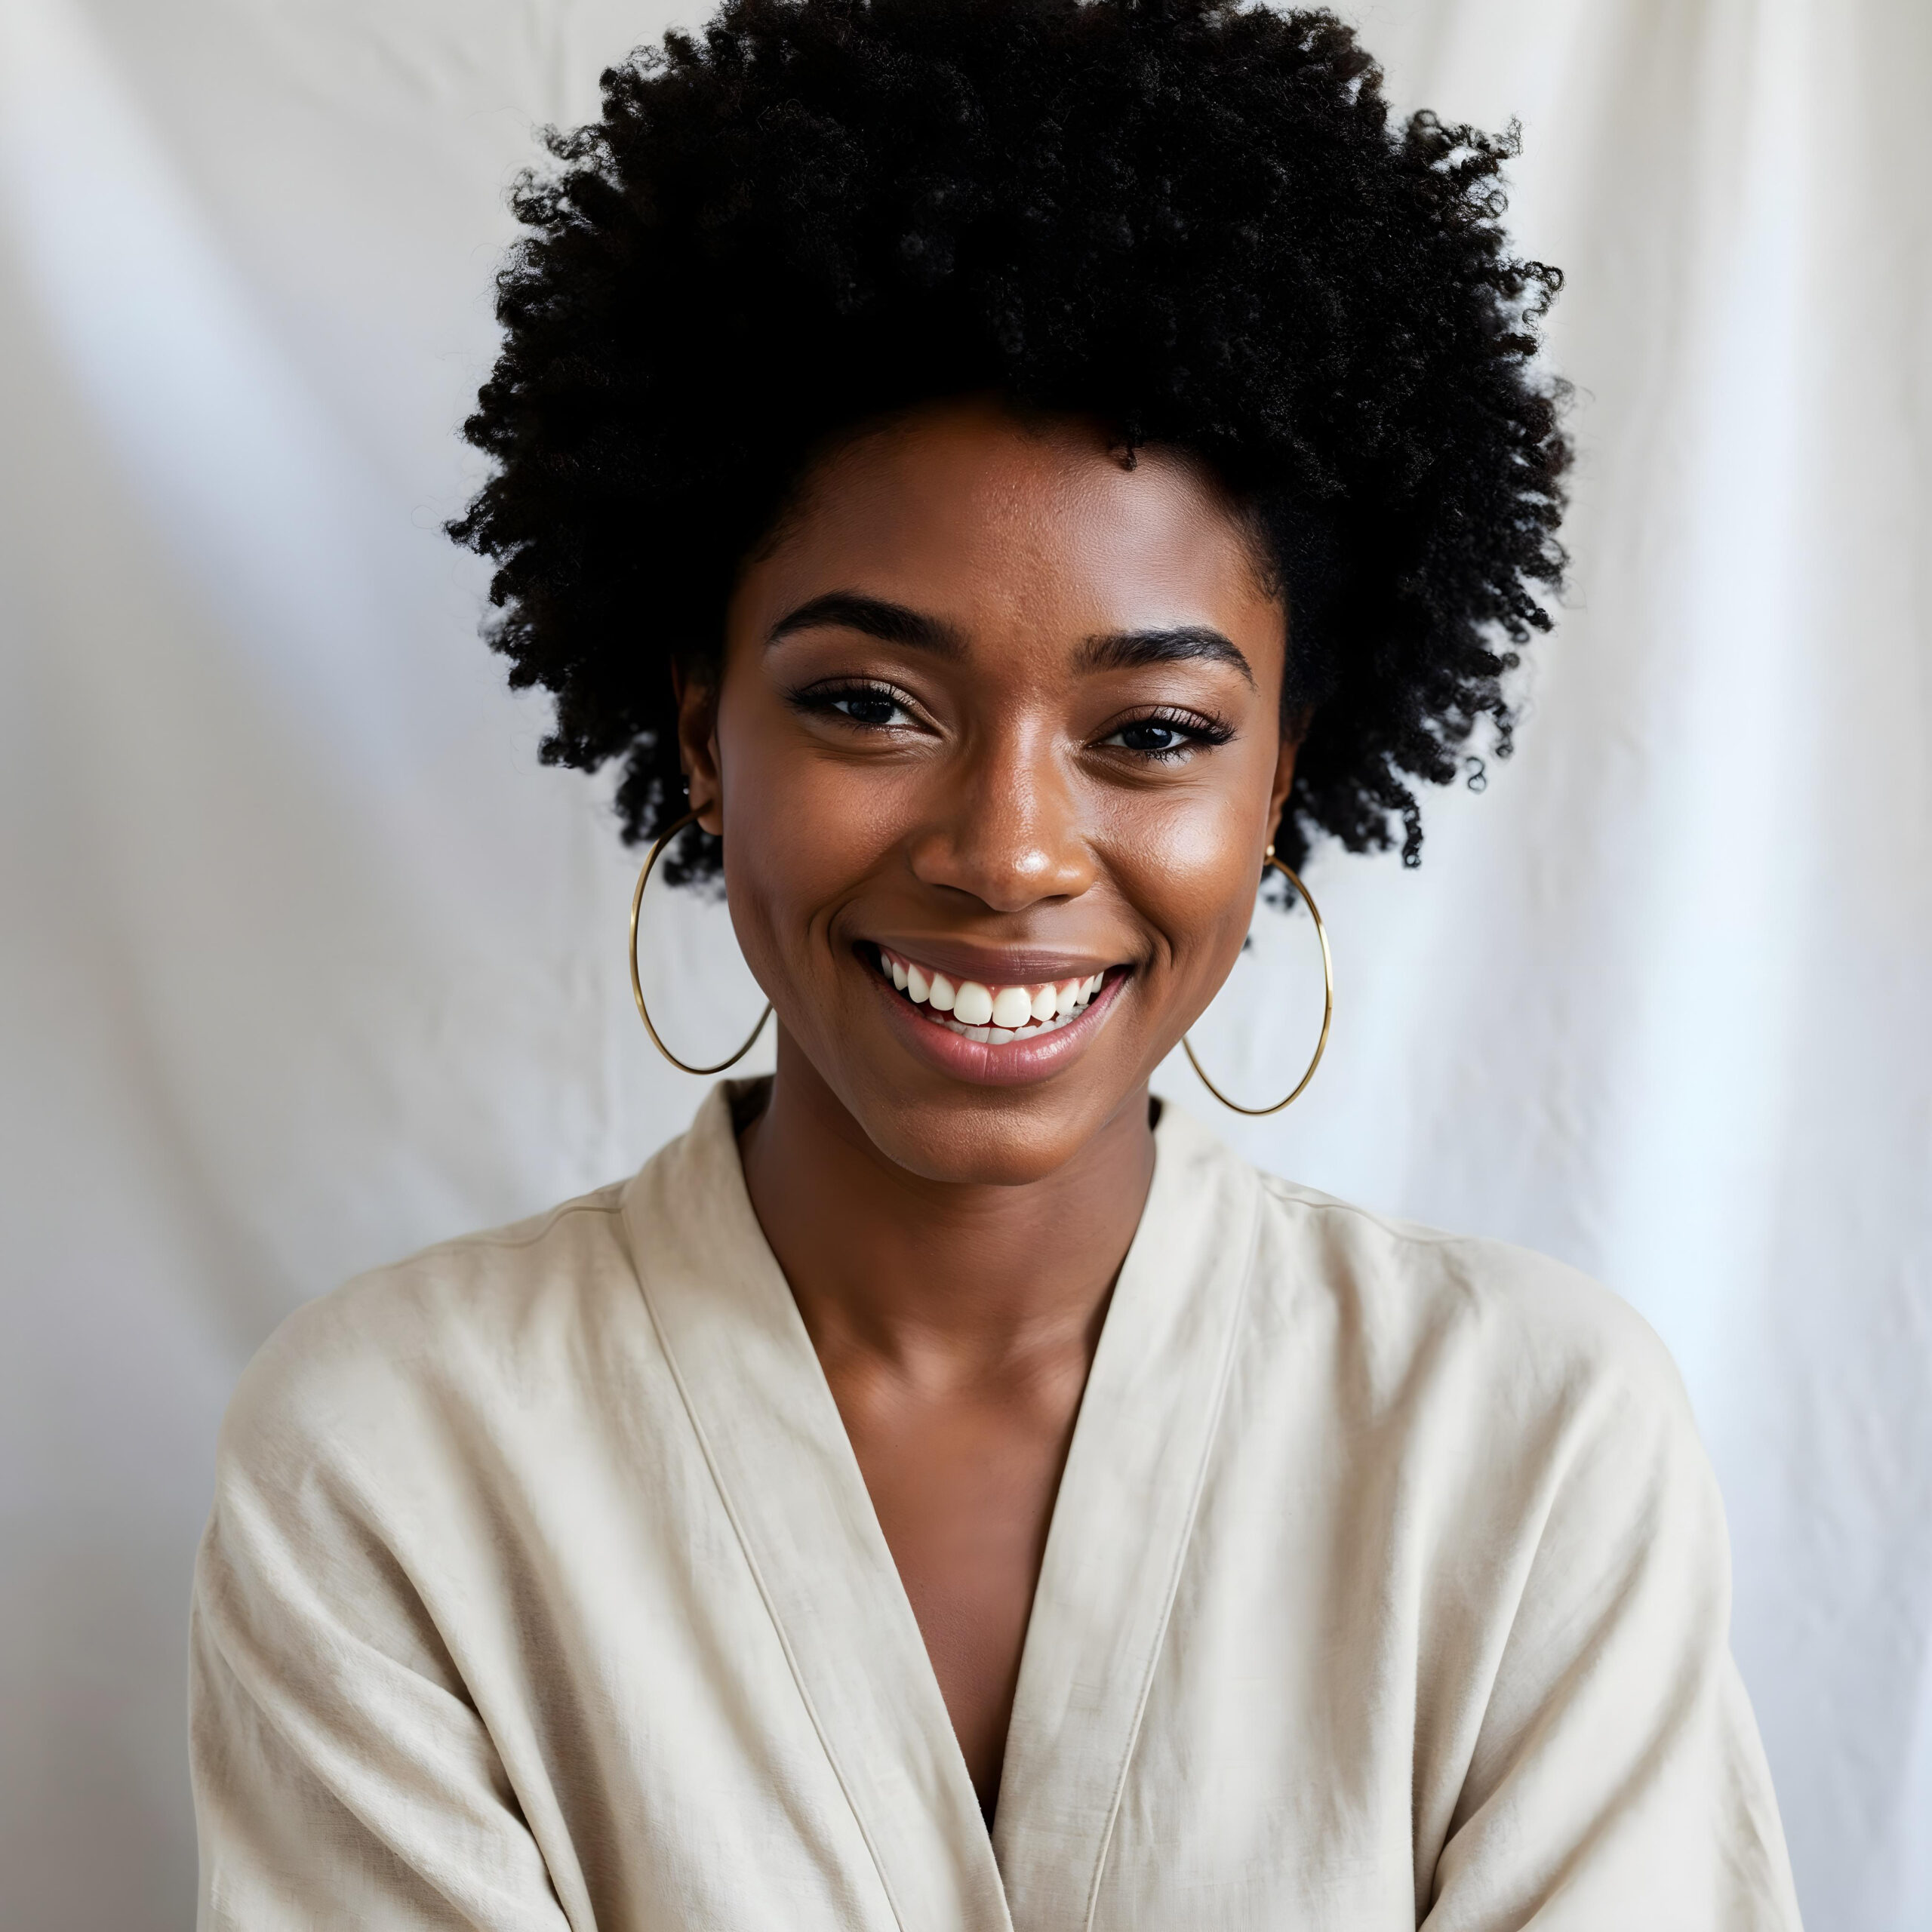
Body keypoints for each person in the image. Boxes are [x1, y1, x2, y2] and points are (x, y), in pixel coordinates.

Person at [188, 2, 1802, 1924]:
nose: (1009, 849)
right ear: (704, 734)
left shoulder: (1525, 1445)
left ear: (1285, 770)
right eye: (871, 701)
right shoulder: (395, 1457)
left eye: (1152, 731)